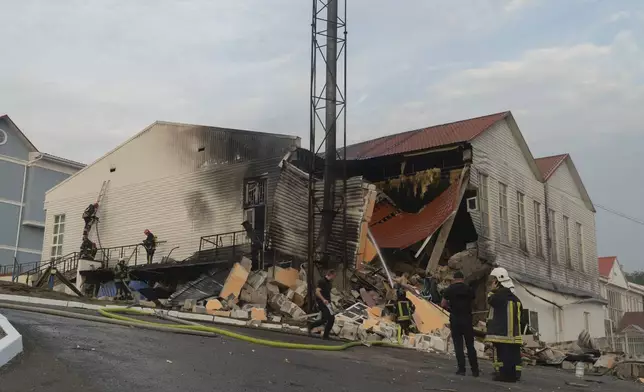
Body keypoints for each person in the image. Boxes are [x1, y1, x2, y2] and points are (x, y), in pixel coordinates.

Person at [485, 267, 523, 383]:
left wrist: (491, 292)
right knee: (514, 357)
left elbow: (491, 299)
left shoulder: (498, 296)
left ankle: (504, 375)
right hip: (514, 335)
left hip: (502, 333)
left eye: (492, 281)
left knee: (503, 356)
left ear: (497, 281)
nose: (490, 284)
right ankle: (515, 374)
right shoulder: (516, 299)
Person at [441, 271, 480, 377]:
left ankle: (461, 369)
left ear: (454, 279)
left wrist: (449, 307)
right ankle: (475, 370)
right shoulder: (469, 289)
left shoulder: (449, 289)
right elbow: (474, 302)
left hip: (455, 319)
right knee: (470, 345)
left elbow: (443, 303)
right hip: (467, 319)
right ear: (463, 279)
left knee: (458, 345)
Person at [308, 269, 337, 340]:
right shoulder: (322, 281)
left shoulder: (329, 283)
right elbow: (317, 292)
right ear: (331, 274)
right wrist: (323, 299)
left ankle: (312, 326)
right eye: (334, 276)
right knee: (330, 318)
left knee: (326, 319)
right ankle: (325, 336)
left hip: (328, 303)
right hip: (322, 303)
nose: (334, 277)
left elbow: (327, 293)